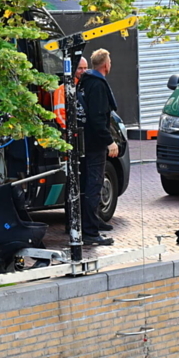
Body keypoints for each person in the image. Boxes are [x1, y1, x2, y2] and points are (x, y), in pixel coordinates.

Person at [77, 49, 118, 245]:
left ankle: (90, 222)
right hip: (95, 144)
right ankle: (91, 232)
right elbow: (98, 117)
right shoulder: (98, 85)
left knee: (85, 185)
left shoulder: (83, 83)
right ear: (106, 65)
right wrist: (109, 141)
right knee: (94, 185)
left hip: (83, 141)